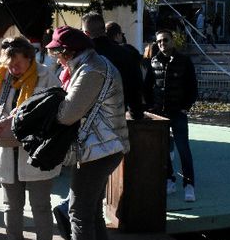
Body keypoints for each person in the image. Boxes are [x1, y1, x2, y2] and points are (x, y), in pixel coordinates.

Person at [44, 26, 128, 240]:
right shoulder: (93, 64)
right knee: (90, 213)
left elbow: (68, 114)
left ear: (69, 52)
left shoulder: (90, 71)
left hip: (98, 150)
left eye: (58, 52)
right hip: (105, 148)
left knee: (78, 213)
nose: (56, 58)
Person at [0, 35, 62, 240]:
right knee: (11, 207)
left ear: (29, 58)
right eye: (9, 62)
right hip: (6, 150)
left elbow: (53, 111)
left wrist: (15, 120)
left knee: (40, 206)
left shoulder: (46, 77)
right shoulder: (1, 77)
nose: (13, 68)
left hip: (35, 152)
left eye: (18, 63)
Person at [146, 28, 198, 203]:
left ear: (172, 41)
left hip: (178, 113)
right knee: (162, 149)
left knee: (183, 149)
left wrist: (186, 107)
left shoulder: (184, 61)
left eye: (165, 40)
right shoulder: (153, 62)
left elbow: (193, 87)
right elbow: (148, 87)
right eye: (159, 41)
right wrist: (149, 107)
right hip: (160, 114)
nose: (162, 44)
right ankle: (169, 180)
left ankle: (189, 185)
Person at [82, 12, 144, 119]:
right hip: (118, 116)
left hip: (89, 119)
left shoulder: (84, 56)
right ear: (104, 30)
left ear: (86, 34)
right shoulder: (126, 53)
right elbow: (135, 87)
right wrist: (136, 114)